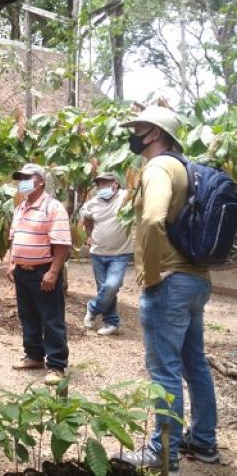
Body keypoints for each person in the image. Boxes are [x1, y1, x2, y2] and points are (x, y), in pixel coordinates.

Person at [116, 106, 219, 472]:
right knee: (194, 365)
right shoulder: (186, 167)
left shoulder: (158, 167)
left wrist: (151, 273)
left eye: (138, 129)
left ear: (156, 133)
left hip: (170, 283)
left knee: (165, 372)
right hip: (196, 280)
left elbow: (152, 217)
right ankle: (203, 442)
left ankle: (163, 455)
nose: (133, 135)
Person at [7, 164, 71, 386]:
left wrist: (53, 271)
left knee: (51, 318)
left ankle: (56, 364)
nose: (22, 182)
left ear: (41, 181)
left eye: (28, 177)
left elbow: (62, 243)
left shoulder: (53, 207)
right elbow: (14, 237)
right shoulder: (20, 208)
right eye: (20, 178)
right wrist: (11, 262)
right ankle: (33, 355)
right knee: (28, 315)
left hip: (43, 271)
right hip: (22, 272)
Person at [79, 172, 133, 336]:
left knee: (112, 286)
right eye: (99, 184)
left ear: (115, 184)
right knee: (105, 289)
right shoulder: (92, 204)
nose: (101, 187)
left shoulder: (126, 197)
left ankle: (92, 308)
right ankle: (112, 322)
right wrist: (89, 236)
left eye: (105, 183)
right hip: (98, 252)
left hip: (120, 253)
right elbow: (87, 219)